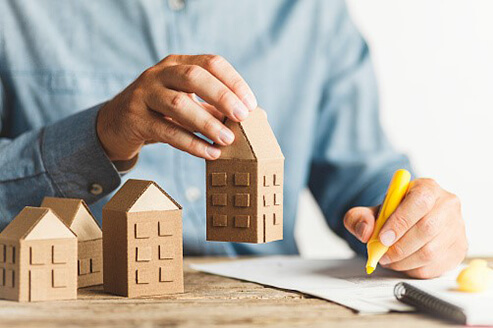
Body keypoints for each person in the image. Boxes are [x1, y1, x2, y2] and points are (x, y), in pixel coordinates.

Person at [0, 0, 466, 278]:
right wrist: (99, 135)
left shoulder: (310, 11)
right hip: (80, 303)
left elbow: (363, 179)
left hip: (269, 309)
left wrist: (415, 223)